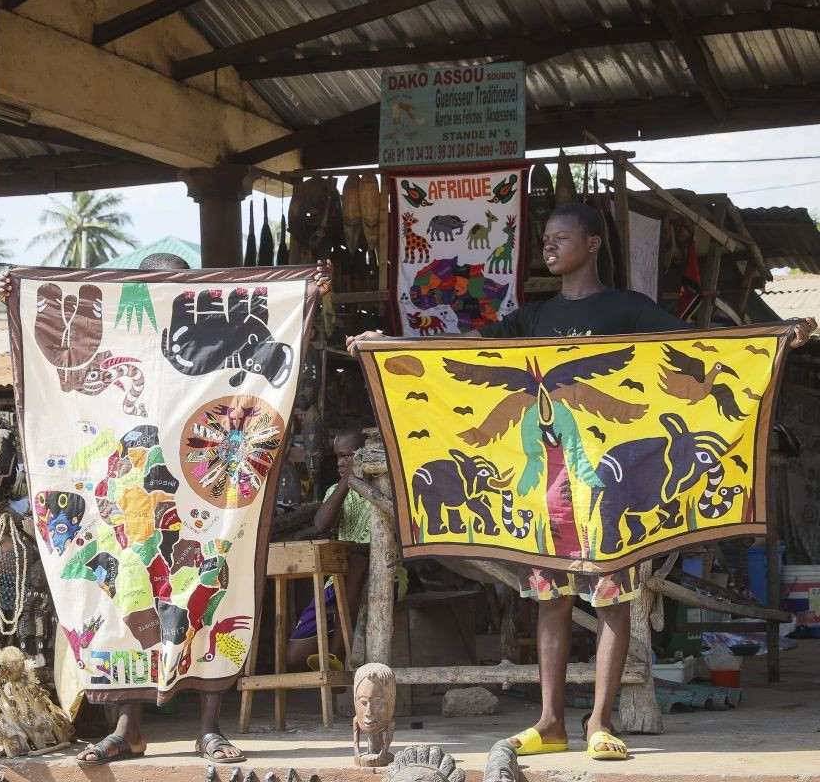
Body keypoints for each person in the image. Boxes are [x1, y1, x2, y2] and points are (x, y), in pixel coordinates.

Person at [347, 202, 816, 761]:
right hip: (549, 490)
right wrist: (389, 347)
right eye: (545, 238)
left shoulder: (626, 308)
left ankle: (597, 721)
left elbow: (698, 347)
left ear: (592, 244)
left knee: (614, 602)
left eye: (560, 237)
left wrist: (779, 337)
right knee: (551, 602)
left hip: (608, 492)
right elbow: (461, 353)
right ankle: (549, 722)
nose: (549, 246)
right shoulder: (532, 318)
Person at [0, 254, 332, 765]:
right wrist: (18, 300)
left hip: (197, 495)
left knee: (212, 584)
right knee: (123, 601)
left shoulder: (208, 327)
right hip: (131, 502)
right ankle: (127, 730)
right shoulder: (119, 335)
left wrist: (306, 292)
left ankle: (208, 731)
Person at [285, 427, 405, 672]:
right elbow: (320, 525)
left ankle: (337, 653)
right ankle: (335, 653)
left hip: (388, 576)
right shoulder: (336, 492)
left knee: (358, 563)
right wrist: (346, 482)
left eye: (349, 456)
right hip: (339, 581)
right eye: (339, 456)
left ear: (365, 455)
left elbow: (393, 545)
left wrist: (353, 551)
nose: (342, 462)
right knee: (294, 658)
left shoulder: (389, 488)